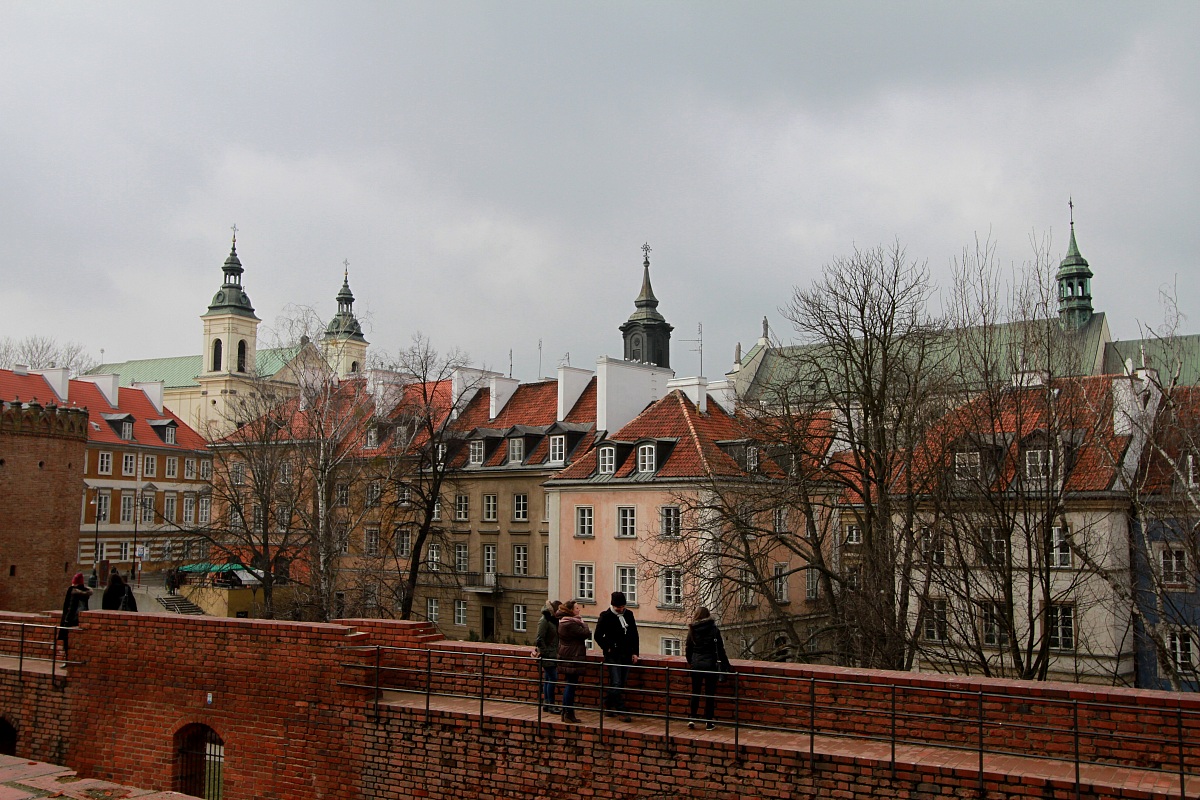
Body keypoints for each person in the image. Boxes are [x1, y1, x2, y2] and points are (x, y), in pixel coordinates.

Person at [593, 591, 639, 721]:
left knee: (621, 682)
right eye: (619, 607)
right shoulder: (606, 616)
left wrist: (635, 652)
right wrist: (607, 647)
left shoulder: (629, 615)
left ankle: (607, 703)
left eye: (623, 607)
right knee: (617, 681)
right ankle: (621, 710)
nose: (621, 609)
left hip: (626, 654)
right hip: (612, 654)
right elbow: (597, 636)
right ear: (613, 606)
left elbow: (634, 634)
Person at [685, 607, 732, 730]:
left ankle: (692, 718)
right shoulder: (714, 630)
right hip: (711, 664)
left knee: (695, 692)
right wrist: (727, 667)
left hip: (696, 664)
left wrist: (692, 662)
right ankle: (709, 722)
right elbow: (720, 650)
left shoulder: (692, 629)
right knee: (709, 694)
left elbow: (688, 649)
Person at [556, 599, 590, 723]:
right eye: (576, 608)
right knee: (571, 685)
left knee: (569, 684)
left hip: (566, 656)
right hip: (572, 657)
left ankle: (565, 712)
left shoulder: (563, 622)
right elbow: (586, 633)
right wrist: (584, 623)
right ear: (571, 611)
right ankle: (568, 713)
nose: (579, 610)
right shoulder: (570, 624)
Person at [531, 599, 562, 713]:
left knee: (548, 679)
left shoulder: (552, 620)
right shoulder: (545, 620)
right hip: (548, 654)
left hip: (552, 654)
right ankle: (550, 704)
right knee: (552, 678)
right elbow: (539, 639)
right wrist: (545, 652)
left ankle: (547, 703)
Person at [57, 573, 93, 664]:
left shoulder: (73, 591)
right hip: (81, 619)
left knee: (67, 640)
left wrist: (66, 620)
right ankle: (78, 660)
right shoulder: (85, 593)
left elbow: (71, 607)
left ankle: (67, 660)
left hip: (71, 620)